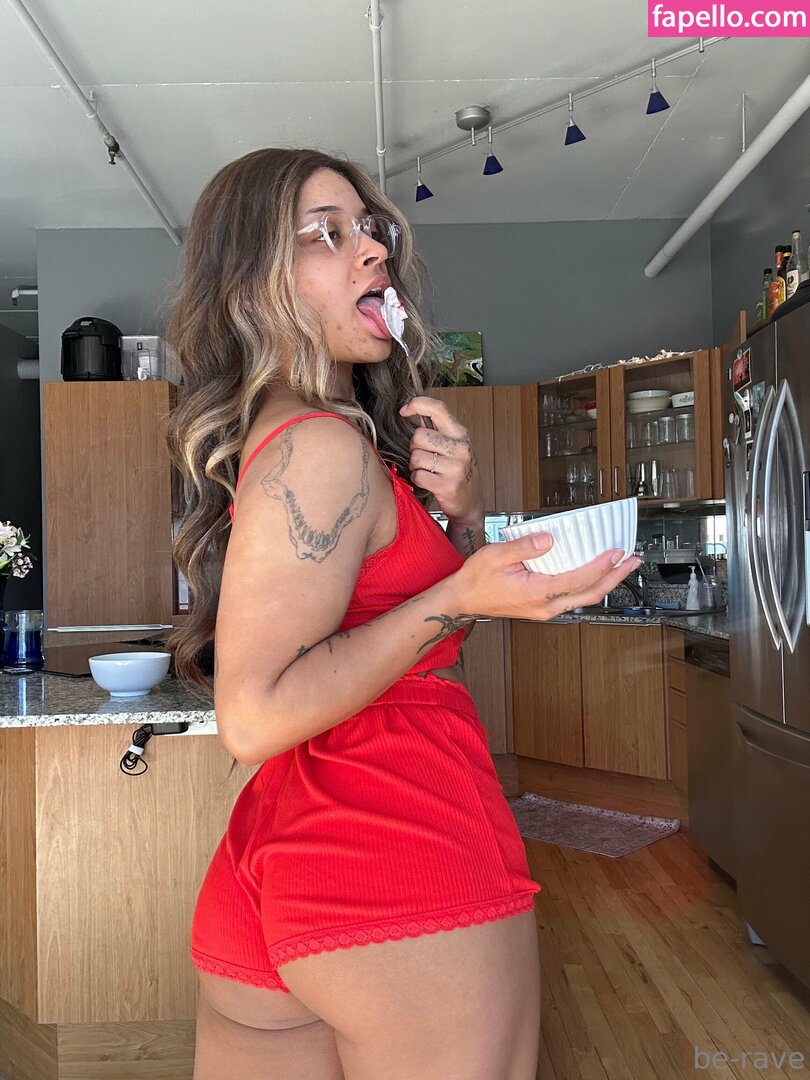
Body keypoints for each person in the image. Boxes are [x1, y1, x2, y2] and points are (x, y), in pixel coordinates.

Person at [164, 147, 641, 1080]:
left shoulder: (312, 436)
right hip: (394, 843)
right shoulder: (321, 449)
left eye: (369, 229)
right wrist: (458, 593)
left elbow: (386, 634)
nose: (373, 250)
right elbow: (252, 716)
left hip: (281, 860)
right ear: (253, 284)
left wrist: (460, 527)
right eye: (325, 234)